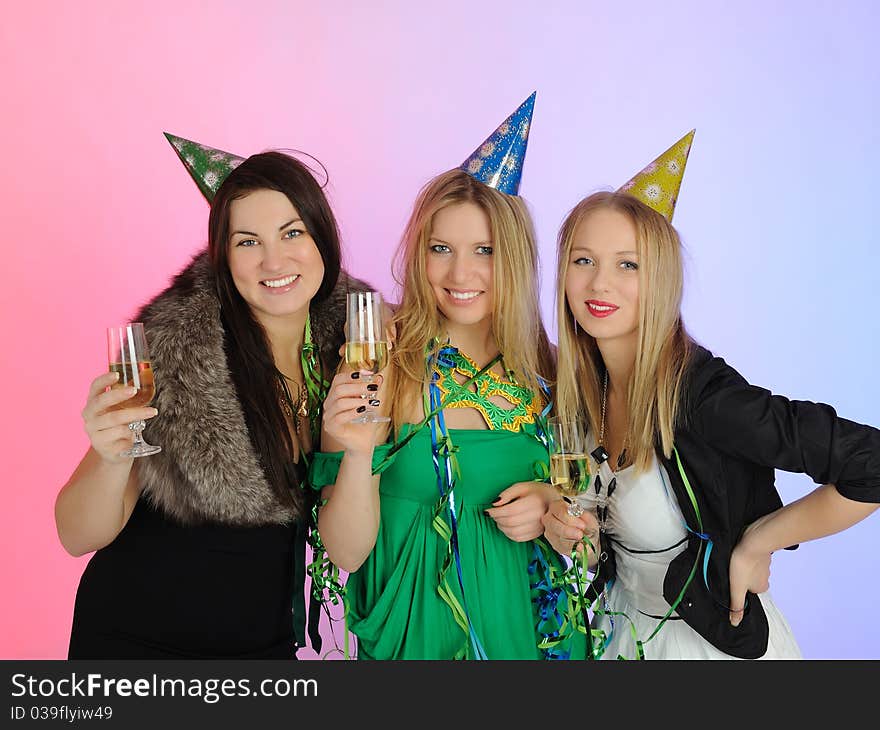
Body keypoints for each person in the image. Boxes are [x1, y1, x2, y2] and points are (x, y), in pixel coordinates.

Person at [542, 130, 880, 659]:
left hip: (709, 651)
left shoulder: (704, 396)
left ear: (660, 279)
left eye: (627, 264)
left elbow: (871, 463)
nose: (599, 284)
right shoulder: (582, 393)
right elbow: (613, 545)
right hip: (622, 641)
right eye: (583, 261)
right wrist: (574, 537)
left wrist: (758, 541)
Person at [55, 138, 368, 658]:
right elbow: (75, 534)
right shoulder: (178, 359)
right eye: (248, 242)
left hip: (262, 647)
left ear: (323, 239)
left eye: (292, 232)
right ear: (224, 257)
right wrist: (112, 457)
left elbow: (348, 547)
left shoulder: (354, 352)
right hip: (138, 642)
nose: (274, 260)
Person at [311, 94, 586, 659]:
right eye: (441, 249)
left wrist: (553, 507)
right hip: (416, 640)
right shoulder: (379, 362)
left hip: (525, 637)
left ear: (513, 257)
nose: (461, 273)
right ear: (418, 254)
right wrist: (360, 454)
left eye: (484, 250)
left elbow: (593, 533)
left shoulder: (554, 374)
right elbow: (346, 552)